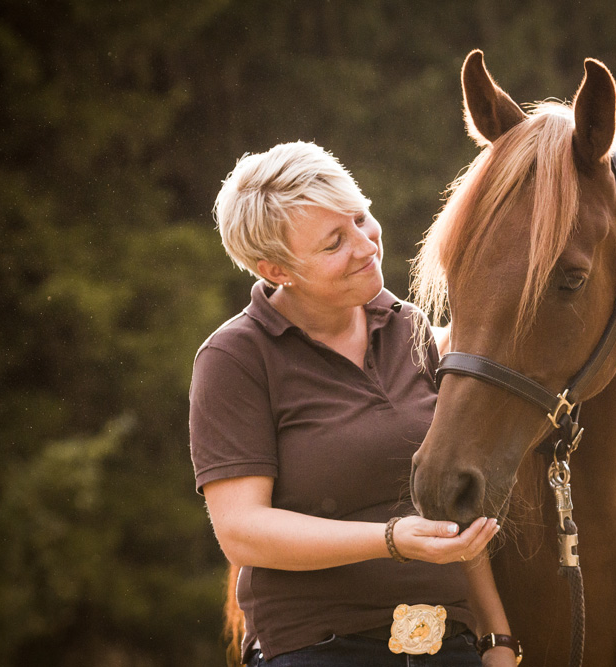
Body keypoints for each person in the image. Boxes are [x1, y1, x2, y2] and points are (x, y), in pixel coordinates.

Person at [189, 141, 521, 666]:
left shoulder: (413, 329)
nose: (365, 246)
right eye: (333, 243)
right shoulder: (235, 358)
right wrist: (391, 540)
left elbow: (454, 510)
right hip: (319, 650)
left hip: (449, 646)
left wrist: (496, 639)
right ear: (276, 269)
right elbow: (242, 532)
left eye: (362, 217)